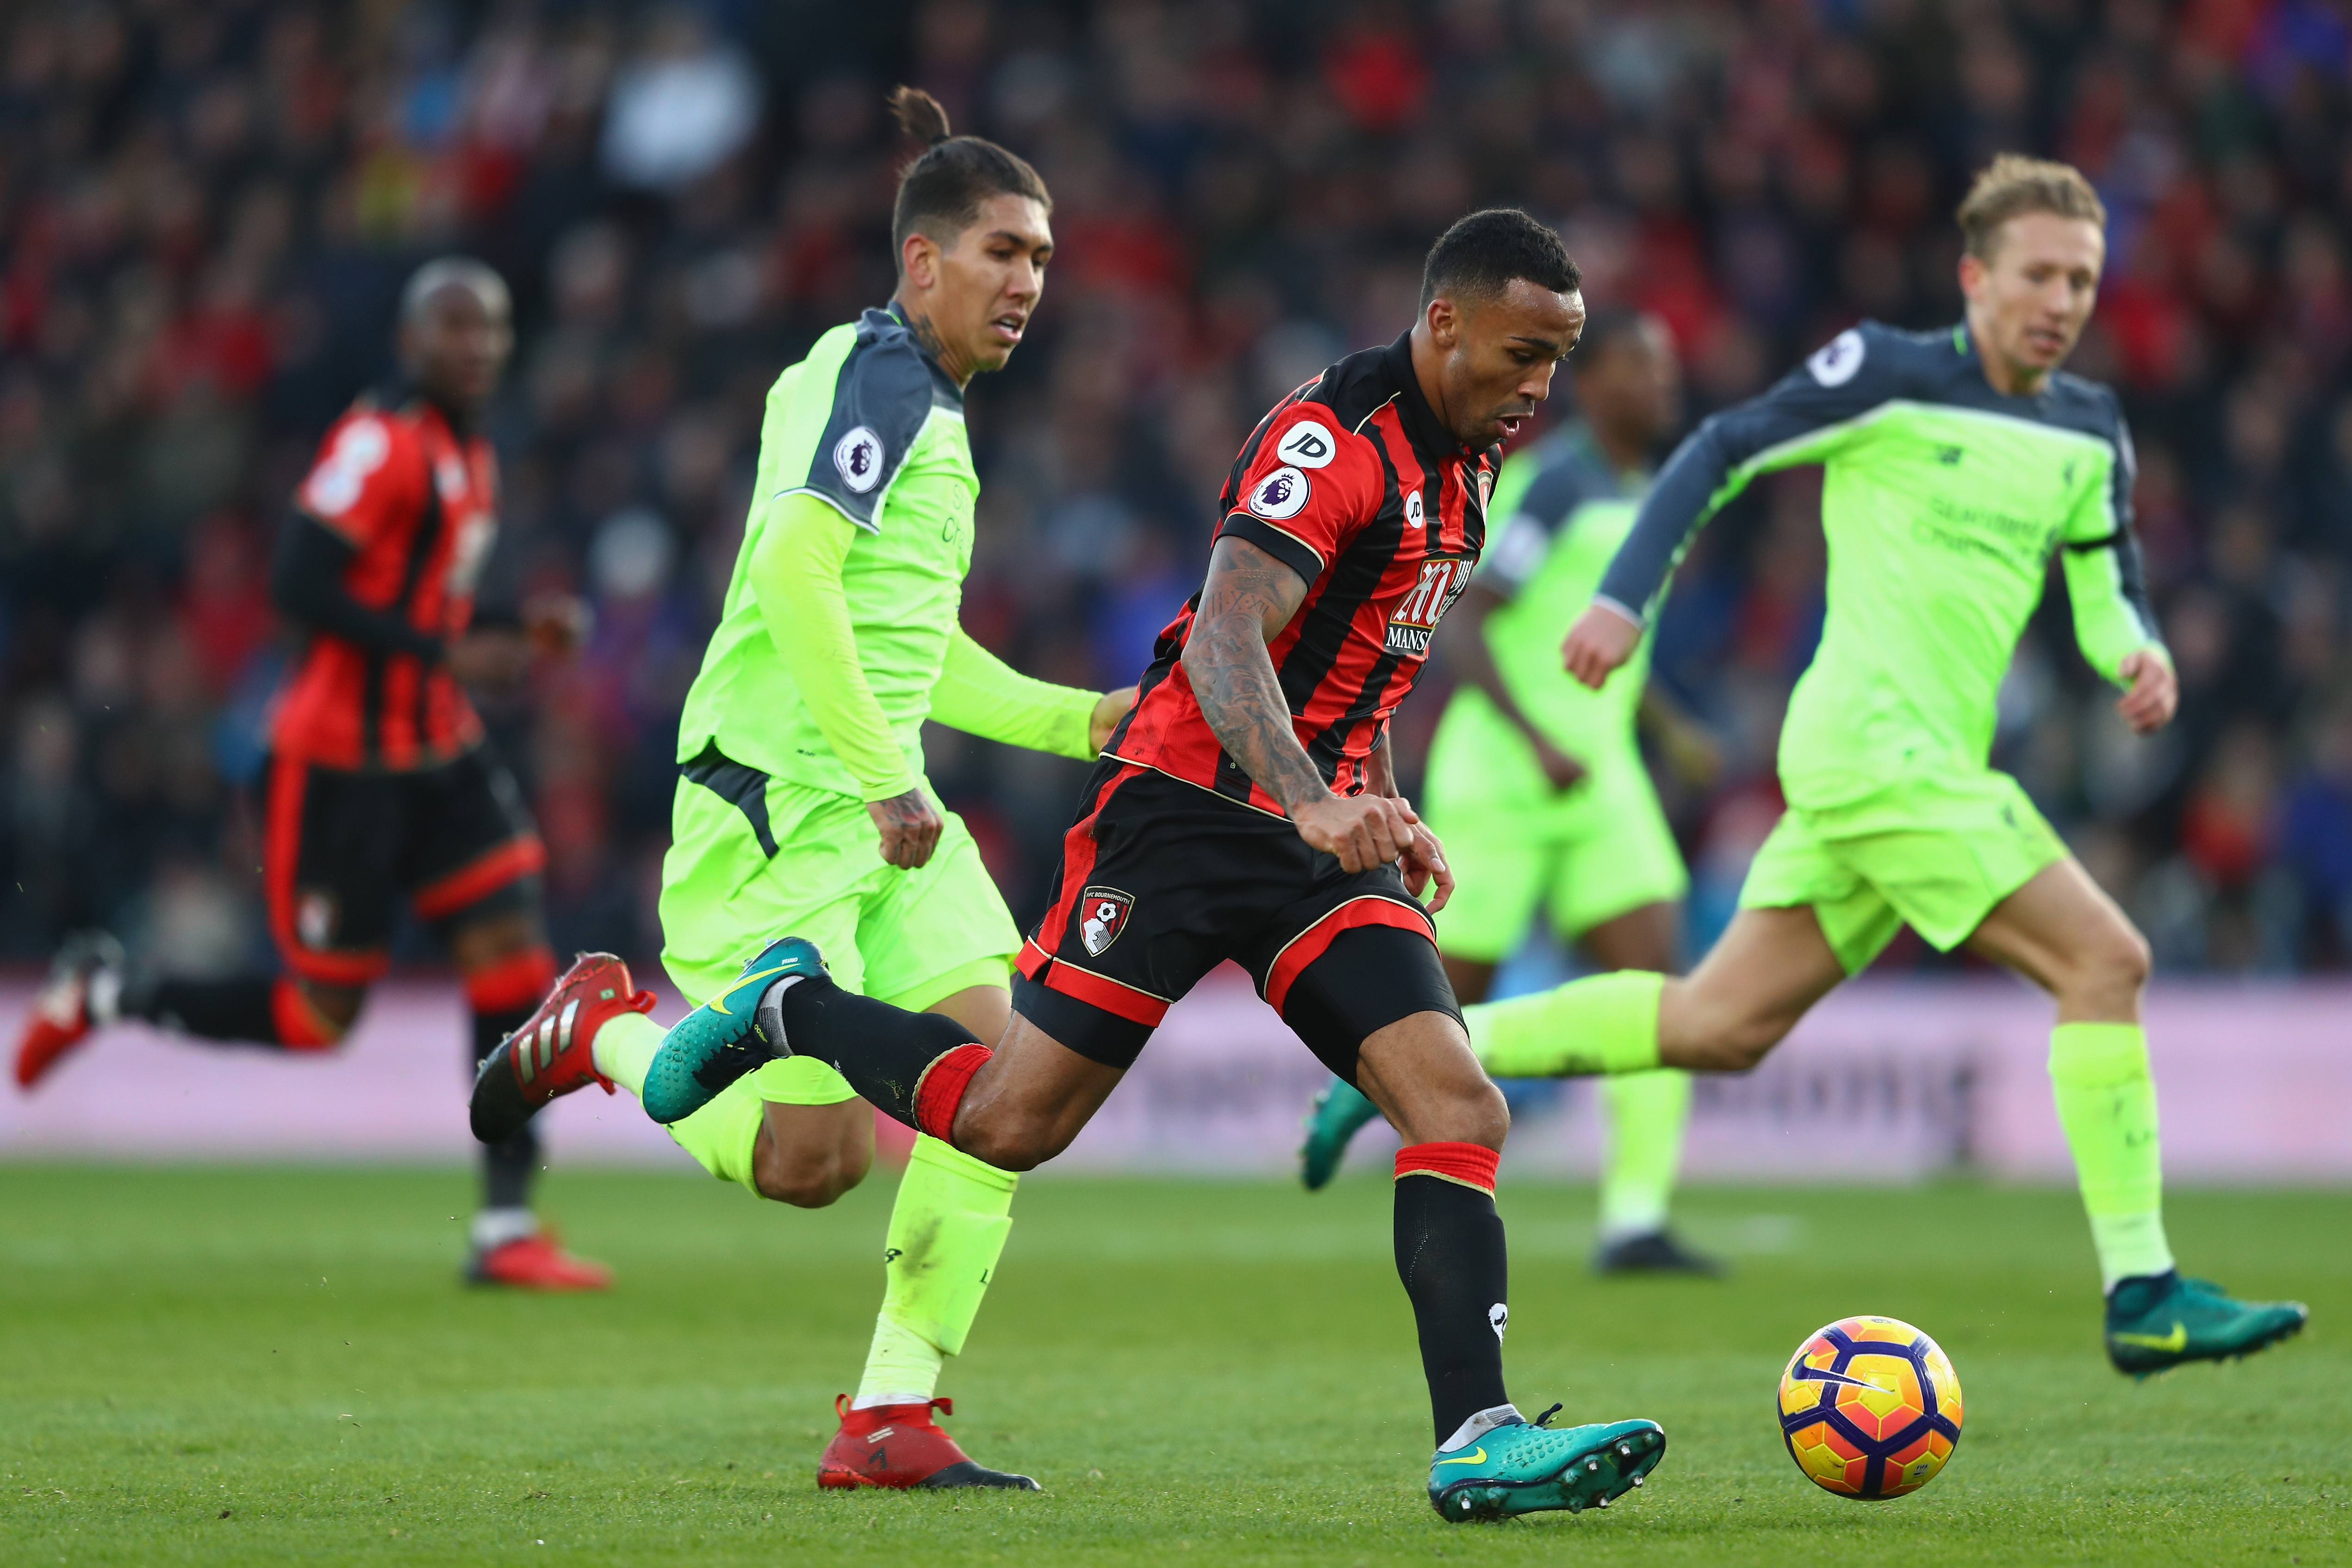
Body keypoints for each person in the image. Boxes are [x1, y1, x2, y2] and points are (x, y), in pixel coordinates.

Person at [637, 208, 1672, 1524]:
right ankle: (789, 1006)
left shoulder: (1469, 464)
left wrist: (1386, 807)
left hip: (1317, 831)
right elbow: (1226, 635)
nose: (1541, 389)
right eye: (1525, 354)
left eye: (1558, 363)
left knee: (1457, 1105)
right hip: (1182, 813)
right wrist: (1310, 797)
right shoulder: (1332, 439)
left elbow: (1371, 661)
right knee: (1014, 1122)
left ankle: (1475, 1433)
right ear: (1446, 322)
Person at [1487, 156, 2307, 1375]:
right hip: (1873, 750)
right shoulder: (1888, 371)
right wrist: (1621, 598)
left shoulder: (2088, 430)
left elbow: (2105, 587)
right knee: (2107, 958)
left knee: (1717, 1024)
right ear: (1975, 277)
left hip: (1907, 771)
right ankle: (2143, 1287)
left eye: (2081, 278)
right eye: (2036, 273)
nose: (2062, 298)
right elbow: (1718, 447)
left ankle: (1432, 1040)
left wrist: (2137, 655)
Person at [467, 88, 1130, 1490]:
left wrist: (1084, 720)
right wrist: (890, 778)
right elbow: (792, 569)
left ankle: (893, 1411)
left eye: (1042, 258)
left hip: (891, 809)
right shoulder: (876, 374)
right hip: (782, 799)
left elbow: (911, 646)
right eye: (1003, 251)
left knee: (1010, 1093)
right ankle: (603, 1036)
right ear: (922, 261)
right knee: (814, 1160)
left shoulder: (930, 408)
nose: (1026, 282)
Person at [12, 260, 609, 1291]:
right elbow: (301, 581)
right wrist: (450, 651)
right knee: (319, 1018)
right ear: (411, 342)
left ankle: (505, 1225)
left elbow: (423, 599)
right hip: (338, 767)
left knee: (513, 960)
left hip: (442, 751)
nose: (478, 346)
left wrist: (516, 624)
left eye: (493, 329)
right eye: (456, 328)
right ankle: (104, 990)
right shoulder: (379, 445)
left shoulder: (471, 453)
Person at [1298, 309, 1724, 1276]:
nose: (1662, 385)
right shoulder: (1552, 486)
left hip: (1601, 777)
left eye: (1668, 369)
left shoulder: (1646, 492)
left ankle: (1635, 1218)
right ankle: (1368, 1095)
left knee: (1661, 987)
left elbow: (1601, 632)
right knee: (1450, 1001)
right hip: (1505, 774)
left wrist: (1667, 726)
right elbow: (1474, 619)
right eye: (1641, 368)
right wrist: (1537, 742)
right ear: (1597, 379)